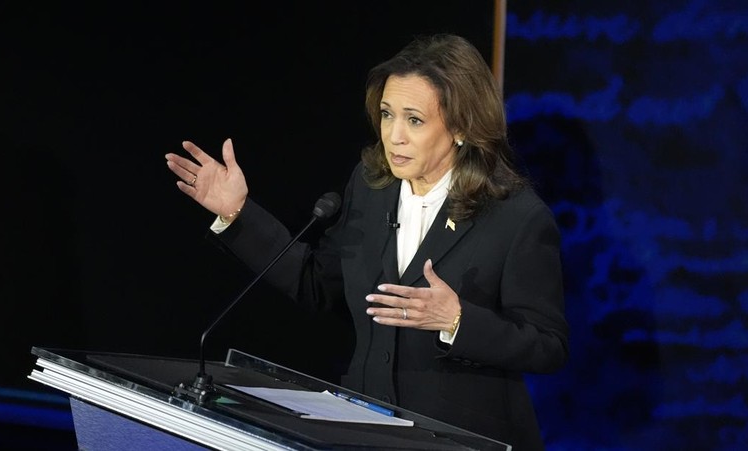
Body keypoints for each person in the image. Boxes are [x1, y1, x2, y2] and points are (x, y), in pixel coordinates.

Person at [165, 33, 568, 450]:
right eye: (387, 115)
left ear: (461, 126)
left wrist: (457, 321)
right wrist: (238, 215)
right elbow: (318, 285)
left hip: (461, 439)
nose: (394, 136)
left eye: (414, 120)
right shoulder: (372, 186)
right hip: (366, 433)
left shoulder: (515, 215)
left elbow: (548, 345)